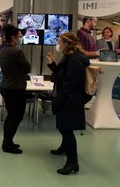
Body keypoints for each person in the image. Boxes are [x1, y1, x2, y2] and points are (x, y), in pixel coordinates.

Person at [46, 32, 89, 175]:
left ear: (67, 44)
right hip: (68, 98)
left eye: (60, 41)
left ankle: (72, 162)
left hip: (70, 100)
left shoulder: (74, 60)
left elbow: (69, 83)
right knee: (64, 127)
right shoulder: (69, 58)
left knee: (67, 130)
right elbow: (61, 75)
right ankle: (64, 148)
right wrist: (53, 65)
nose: (58, 44)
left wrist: (58, 100)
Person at [0, 24, 31, 154]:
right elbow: (27, 68)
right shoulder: (17, 51)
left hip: (6, 86)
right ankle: (7, 145)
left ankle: (7, 142)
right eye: (19, 36)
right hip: (15, 89)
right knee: (16, 117)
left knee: (11, 116)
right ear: (13, 37)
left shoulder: (4, 50)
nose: (20, 38)